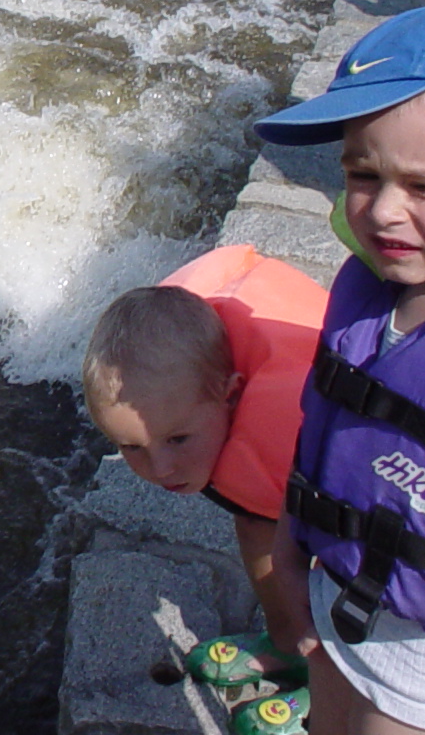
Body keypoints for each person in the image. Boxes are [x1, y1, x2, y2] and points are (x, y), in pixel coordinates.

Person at [256, 2, 425, 735]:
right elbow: (328, 431)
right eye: (362, 174)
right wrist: (290, 548)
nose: (382, 212)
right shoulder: (370, 291)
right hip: (338, 592)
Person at [84, 245, 325, 700]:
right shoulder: (193, 379)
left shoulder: (295, 433)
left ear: (231, 395)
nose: (161, 470)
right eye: (131, 447)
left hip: (392, 501)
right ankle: (286, 641)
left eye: (177, 439)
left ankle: (336, 682)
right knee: (258, 520)